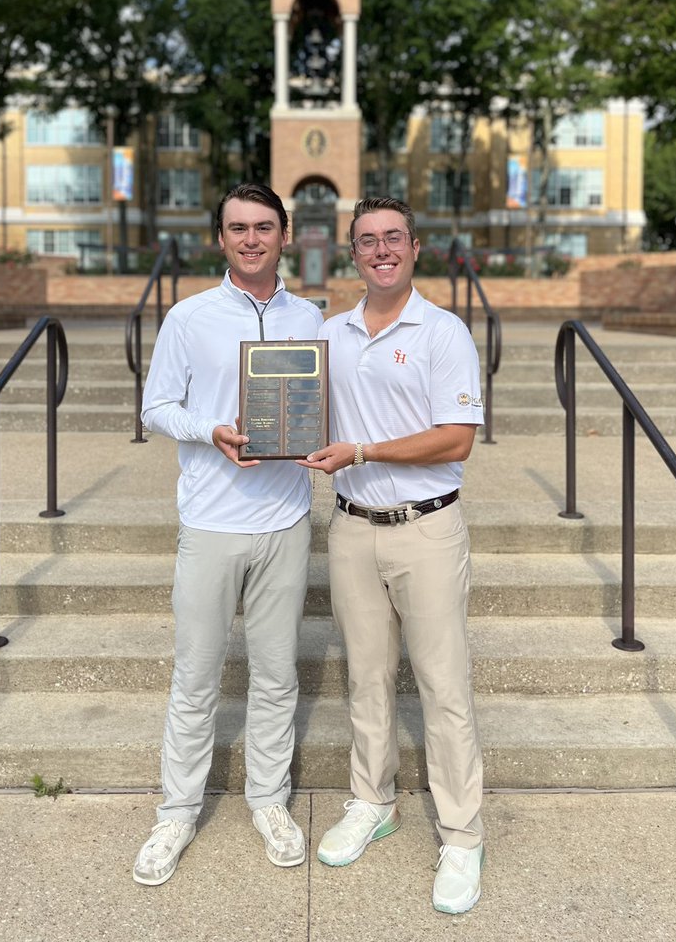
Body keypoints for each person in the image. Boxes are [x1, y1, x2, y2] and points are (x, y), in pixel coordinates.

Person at [133, 183, 324, 886]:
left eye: (264, 227)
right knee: (195, 678)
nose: (251, 239)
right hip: (211, 522)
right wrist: (207, 431)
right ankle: (177, 812)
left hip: (284, 522)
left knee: (275, 679)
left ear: (284, 234)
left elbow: (326, 402)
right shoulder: (189, 318)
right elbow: (157, 406)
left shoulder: (311, 316)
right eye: (238, 228)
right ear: (221, 238)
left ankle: (270, 802)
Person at [299, 196, 486, 915]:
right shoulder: (330, 333)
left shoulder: (443, 332)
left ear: (415, 248)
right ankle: (372, 801)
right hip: (351, 526)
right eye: (367, 241)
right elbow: (297, 408)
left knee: (443, 688)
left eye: (393, 238)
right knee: (367, 679)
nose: (381, 250)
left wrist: (364, 449)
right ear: (353, 254)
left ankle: (463, 837)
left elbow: (456, 437)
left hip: (426, 530)